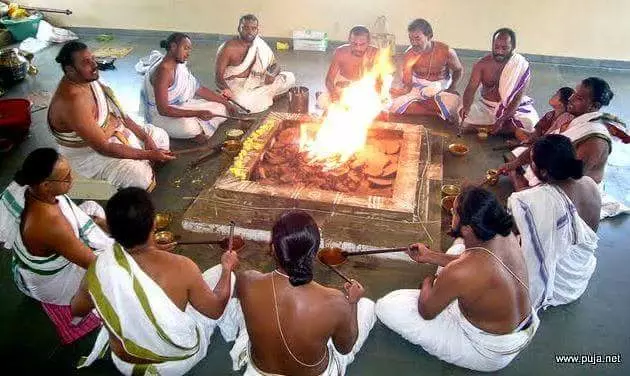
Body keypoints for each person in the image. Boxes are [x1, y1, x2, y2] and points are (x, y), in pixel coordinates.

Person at [71, 187, 239, 375]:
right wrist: (227, 268)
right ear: (153, 225)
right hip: (173, 362)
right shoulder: (183, 267)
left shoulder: (99, 266)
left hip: (126, 363)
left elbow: (77, 309)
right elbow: (215, 310)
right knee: (221, 277)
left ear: (111, 229)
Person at [376, 187, 539, 372]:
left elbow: (426, 311)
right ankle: (446, 288)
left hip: (486, 349)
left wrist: (430, 281)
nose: (451, 213)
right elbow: (476, 263)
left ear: (468, 227)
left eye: (454, 212)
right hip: (518, 325)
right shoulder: (506, 234)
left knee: (387, 306)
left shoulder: (462, 270)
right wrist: (429, 256)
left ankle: (443, 293)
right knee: (458, 249)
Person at [230, 210, 376, 375]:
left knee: (248, 306)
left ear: (273, 249)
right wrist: (353, 303)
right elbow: (344, 348)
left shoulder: (247, 280)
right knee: (368, 306)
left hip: (262, 371)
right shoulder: (336, 301)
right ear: (314, 255)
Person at [0, 148, 113, 344]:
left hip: (30, 271)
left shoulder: (27, 188)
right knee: (116, 265)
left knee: (91, 207)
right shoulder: (50, 224)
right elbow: (96, 265)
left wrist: (101, 224)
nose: (73, 179)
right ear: (45, 185)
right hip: (55, 286)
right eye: (66, 177)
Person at [49, 41, 174, 192]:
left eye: (93, 59)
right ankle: (142, 168)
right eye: (86, 62)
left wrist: (146, 138)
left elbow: (123, 117)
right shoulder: (72, 102)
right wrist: (148, 154)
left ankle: (143, 163)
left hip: (114, 134)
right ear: (70, 70)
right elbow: (104, 148)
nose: (94, 65)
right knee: (141, 179)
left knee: (160, 137)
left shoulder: (92, 80)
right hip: (89, 154)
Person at [507, 135, 599, 310]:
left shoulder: (540, 199)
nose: (530, 166)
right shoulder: (590, 184)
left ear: (543, 172)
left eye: (532, 163)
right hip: (577, 279)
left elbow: (508, 234)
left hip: (556, 285)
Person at [500, 77, 614, 187]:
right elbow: (544, 143)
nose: (570, 99)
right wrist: (514, 164)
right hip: (557, 171)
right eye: (573, 94)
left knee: (523, 191)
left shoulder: (595, 139)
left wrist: (533, 181)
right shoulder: (572, 119)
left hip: (576, 187)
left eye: (579, 98)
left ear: (594, 106)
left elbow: (572, 178)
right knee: (513, 160)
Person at [141, 33, 236, 142]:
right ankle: (194, 133)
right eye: (185, 49)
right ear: (173, 47)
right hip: (160, 116)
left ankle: (200, 128)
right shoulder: (163, 71)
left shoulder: (179, 66)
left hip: (181, 106)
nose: (188, 54)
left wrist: (226, 103)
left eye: (189, 50)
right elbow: (163, 110)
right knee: (190, 128)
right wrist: (197, 113)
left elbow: (199, 89)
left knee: (220, 107)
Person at [460, 28, 539, 135]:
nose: (499, 51)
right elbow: (471, 89)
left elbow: (517, 99)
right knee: (461, 116)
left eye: (504, 48)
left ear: (513, 47)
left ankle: (482, 128)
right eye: (496, 47)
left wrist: (502, 119)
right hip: (486, 107)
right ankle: (501, 130)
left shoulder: (520, 65)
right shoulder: (482, 64)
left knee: (530, 123)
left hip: (511, 108)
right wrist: (466, 107)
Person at [215, 14, 295, 113]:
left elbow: (276, 65)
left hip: (259, 81)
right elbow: (218, 77)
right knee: (244, 103)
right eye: (245, 28)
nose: (250, 32)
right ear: (238, 28)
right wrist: (226, 90)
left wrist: (272, 74)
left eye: (254, 28)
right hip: (237, 86)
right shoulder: (228, 48)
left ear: (257, 30)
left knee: (290, 77)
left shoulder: (260, 44)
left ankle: (265, 97)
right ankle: (270, 96)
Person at [389, 18, 464, 123]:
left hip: (440, 87)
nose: (414, 43)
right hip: (417, 88)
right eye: (411, 39)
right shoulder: (409, 54)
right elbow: (408, 85)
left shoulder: (445, 51)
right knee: (394, 106)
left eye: (417, 38)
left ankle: (428, 105)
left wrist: (451, 88)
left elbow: (458, 70)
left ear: (429, 36)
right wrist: (400, 92)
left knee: (453, 101)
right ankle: (435, 113)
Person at [316, 26, 378, 109]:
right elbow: (329, 80)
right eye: (354, 44)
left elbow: (380, 80)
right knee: (323, 102)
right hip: (342, 87)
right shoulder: (340, 52)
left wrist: (375, 95)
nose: (358, 48)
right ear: (349, 40)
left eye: (362, 44)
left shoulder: (375, 54)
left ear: (369, 42)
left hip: (364, 88)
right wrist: (334, 93)